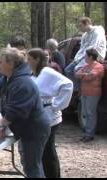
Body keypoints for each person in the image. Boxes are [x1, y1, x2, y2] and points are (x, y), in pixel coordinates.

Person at [0, 48, 51, 178]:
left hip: (34, 129)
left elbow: (15, 112)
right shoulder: (9, 78)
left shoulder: (22, 83)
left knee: (32, 166)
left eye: (0, 62)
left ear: (10, 64)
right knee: (29, 164)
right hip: (26, 127)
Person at [27, 48, 73, 178]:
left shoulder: (47, 72)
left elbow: (67, 85)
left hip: (50, 118)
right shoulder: (33, 74)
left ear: (37, 60)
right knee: (44, 152)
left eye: (29, 59)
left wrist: (57, 104)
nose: (27, 61)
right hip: (39, 117)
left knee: (48, 151)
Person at [64, 17, 106, 91]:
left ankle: (81, 91)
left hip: (94, 56)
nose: (80, 28)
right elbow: (82, 48)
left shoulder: (97, 32)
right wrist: (76, 58)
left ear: (86, 24)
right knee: (68, 70)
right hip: (84, 56)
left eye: (81, 26)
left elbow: (93, 47)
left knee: (77, 69)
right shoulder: (84, 35)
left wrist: (80, 58)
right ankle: (77, 90)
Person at [75, 48, 104, 142]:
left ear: (91, 56)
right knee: (85, 113)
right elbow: (76, 74)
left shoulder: (98, 66)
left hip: (93, 93)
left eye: (86, 55)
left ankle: (90, 134)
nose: (84, 57)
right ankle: (86, 133)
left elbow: (90, 77)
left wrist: (84, 75)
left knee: (91, 113)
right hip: (84, 93)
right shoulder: (86, 66)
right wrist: (85, 74)